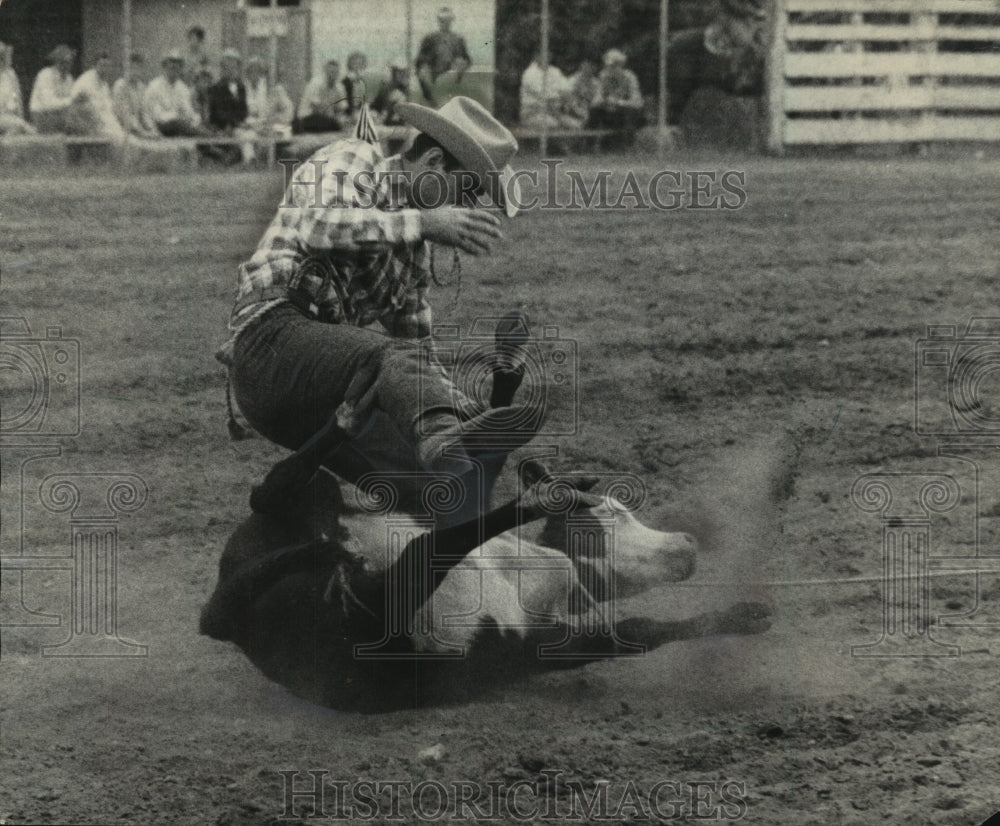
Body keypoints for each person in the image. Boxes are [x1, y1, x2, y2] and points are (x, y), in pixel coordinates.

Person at [220, 96, 537, 524]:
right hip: (270, 341)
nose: (466, 210)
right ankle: (444, 445)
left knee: (435, 490)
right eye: (467, 191)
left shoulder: (412, 256)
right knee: (391, 360)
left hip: (319, 395)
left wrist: (470, 411)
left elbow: (417, 358)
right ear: (433, 162)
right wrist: (424, 222)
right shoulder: (355, 157)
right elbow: (319, 225)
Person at [415, 6, 471, 105]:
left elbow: (466, 59)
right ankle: (432, 100)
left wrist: (459, 66)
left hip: (450, 78)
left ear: (451, 21)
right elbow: (420, 61)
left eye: (448, 20)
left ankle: (448, 97)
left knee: (459, 62)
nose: (445, 23)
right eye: (442, 20)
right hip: (432, 77)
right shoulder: (430, 39)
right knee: (424, 72)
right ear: (439, 21)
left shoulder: (458, 40)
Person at [145, 50, 208, 137]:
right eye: (171, 64)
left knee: (198, 123)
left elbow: (187, 110)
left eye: (178, 65)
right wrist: (177, 116)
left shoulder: (182, 88)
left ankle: (219, 142)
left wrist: (194, 118)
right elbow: (157, 115)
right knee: (179, 123)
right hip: (160, 126)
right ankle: (215, 140)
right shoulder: (154, 86)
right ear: (165, 66)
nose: (174, 68)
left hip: (180, 126)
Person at [64, 52, 125, 139]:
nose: (105, 69)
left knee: (124, 138)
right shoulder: (85, 82)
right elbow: (74, 108)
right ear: (94, 66)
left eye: (108, 66)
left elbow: (107, 111)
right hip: (87, 128)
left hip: (102, 126)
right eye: (102, 65)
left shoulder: (104, 84)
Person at [590, 49, 644, 141]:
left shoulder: (630, 77)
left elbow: (637, 103)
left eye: (613, 66)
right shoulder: (604, 76)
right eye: (607, 66)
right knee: (594, 110)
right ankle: (589, 144)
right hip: (611, 112)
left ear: (621, 66)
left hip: (627, 114)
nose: (610, 69)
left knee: (630, 112)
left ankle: (627, 145)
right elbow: (596, 99)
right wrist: (602, 101)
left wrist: (618, 102)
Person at [519, 52, 580, 130]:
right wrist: (558, 95)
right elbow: (546, 96)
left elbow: (567, 91)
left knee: (576, 125)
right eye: (543, 55)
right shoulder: (529, 73)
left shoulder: (555, 71)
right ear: (536, 56)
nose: (546, 57)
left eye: (548, 55)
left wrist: (561, 97)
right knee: (554, 125)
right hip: (533, 113)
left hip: (555, 112)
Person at [112, 53, 160, 139]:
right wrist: (141, 132)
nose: (136, 71)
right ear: (127, 68)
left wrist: (152, 128)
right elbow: (124, 115)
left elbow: (144, 112)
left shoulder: (141, 87)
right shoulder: (120, 86)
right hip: (122, 130)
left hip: (137, 130)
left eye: (139, 68)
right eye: (133, 68)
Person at [29, 44, 76, 133]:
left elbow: (72, 100)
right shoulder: (45, 75)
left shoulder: (69, 78)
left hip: (60, 116)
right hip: (42, 116)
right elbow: (49, 104)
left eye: (70, 61)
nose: (68, 65)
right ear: (56, 61)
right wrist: (70, 101)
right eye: (64, 61)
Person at [296, 59, 347, 133]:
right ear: (325, 72)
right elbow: (318, 108)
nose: (332, 75)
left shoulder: (339, 86)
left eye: (336, 72)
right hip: (308, 116)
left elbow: (342, 106)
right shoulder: (315, 83)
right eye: (330, 72)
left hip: (327, 117)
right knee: (333, 124)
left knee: (342, 122)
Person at [0, 42, 36, 135]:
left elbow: (18, 100)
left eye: (2, 56)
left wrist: (21, 118)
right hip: (4, 117)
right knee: (21, 126)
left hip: (11, 118)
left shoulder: (10, 74)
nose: (2, 60)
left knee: (16, 129)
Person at [372, 58, 410, 125]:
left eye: (403, 72)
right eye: (398, 72)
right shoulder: (386, 88)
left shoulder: (405, 89)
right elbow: (375, 106)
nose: (402, 75)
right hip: (385, 122)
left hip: (396, 123)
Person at [566, 58, 599, 127]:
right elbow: (570, 99)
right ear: (581, 66)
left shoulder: (596, 82)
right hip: (573, 110)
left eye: (591, 66)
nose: (589, 68)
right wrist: (580, 111)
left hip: (590, 110)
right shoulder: (573, 80)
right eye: (586, 65)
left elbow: (597, 99)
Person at [343, 51, 368, 119]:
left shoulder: (364, 82)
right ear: (349, 65)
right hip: (348, 114)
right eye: (355, 64)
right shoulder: (345, 82)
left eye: (360, 64)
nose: (358, 67)